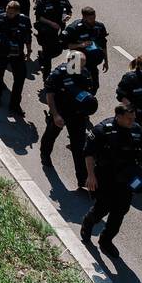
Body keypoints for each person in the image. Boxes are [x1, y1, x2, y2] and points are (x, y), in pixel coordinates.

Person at [80, 103, 142, 259]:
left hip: (126, 180)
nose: (132, 121)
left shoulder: (137, 131)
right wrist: (91, 176)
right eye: (129, 119)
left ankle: (106, 241)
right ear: (118, 117)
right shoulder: (103, 130)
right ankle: (88, 223)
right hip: (105, 177)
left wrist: (141, 173)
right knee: (102, 209)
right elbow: (89, 153)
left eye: (133, 118)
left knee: (120, 212)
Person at [38, 51, 98, 186]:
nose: (81, 67)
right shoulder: (59, 74)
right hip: (61, 111)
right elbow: (50, 95)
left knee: (79, 146)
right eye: (79, 64)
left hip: (78, 115)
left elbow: (88, 92)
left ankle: (82, 179)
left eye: (83, 64)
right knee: (51, 135)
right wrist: (55, 115)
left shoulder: (85, 73)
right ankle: (45, 155)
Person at [0, 1, 32, 113]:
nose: (8, 14)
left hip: (17, 54)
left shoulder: (24, 20)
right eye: (7, 12)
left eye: (11, 13)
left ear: (17, 12)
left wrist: (29, 51)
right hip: (2, 53)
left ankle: (15, 105)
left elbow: (28, 36)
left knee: (20, 78)